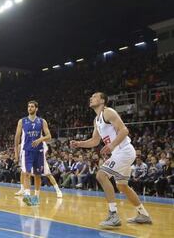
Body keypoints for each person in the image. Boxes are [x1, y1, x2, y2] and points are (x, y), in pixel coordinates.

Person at [71, 92, 152, 227]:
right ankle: (143, 214)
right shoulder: (97, 120)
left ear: (102, 100)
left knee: (101, 175)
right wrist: (79, 143)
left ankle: (113, 215)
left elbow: (124, 130)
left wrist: (112, 144)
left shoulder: (108, 112)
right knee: (122, 186)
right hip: (118, 153)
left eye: (95, 96)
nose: (91, 98)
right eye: (91, 97)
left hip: (124, 150)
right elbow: (95, 141)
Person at [14, 101, 52, 206]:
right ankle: (27, 195)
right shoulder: (22, 121)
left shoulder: (42, 121)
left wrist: (40, 139)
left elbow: (49, 136)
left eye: (32, 106)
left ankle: (36, 197)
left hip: (39, 151)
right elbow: (17, 138)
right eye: (28, 106)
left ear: (36, 108)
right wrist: (16, 152)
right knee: (26, 173)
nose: (30, 108)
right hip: (27, 151)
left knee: (37, 175)